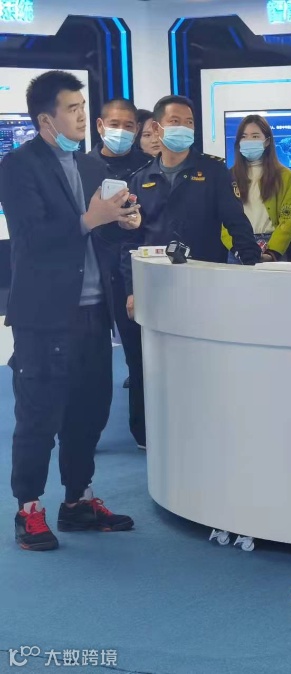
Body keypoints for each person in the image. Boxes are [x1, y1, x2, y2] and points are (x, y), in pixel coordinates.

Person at [0, 71, 141, 551]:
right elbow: (32, 238)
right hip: (45, 316)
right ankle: (28, 509)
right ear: (46, 119)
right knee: (39, 416)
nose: (84, 116)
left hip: (94, 312)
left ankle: (77, 500)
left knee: (89, 412)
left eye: (84, 107)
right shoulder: (17, 166)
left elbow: (101, 232)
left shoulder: (89, 165)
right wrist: (88, 219)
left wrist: (123, 220)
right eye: (73, 109)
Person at [122, 95, 260, 451]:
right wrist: (132, 289)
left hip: (203, 284)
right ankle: (149, 433)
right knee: (153, 362)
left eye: (189, 122)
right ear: (157, 127)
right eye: (175, 121)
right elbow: (130, 242)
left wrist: (253, 269)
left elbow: (236, 223)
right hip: (156, 286)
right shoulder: (140, 179)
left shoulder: (212, 172)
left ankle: (207, 426)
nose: (183, 128)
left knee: (203, 361)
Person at [88, 98, 153, 422]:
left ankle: (143, 430)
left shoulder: (148, 167)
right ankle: (84, 431)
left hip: (135, 272)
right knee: (91, 359)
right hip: (93, 275)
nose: (122, 131)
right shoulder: (83, 167)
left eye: (129, 126)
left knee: (141, 356)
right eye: (115, 125)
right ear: (100, 126)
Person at [221, 114, 291, 264]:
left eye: (255, 136)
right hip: (239, 245)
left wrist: (272, 252)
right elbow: (223, 223)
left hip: (273, 245)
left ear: (267, 141)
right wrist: (239, 249)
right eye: (244, 137)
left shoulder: (285, 176)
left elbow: (289, 218)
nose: (249, 141)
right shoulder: (229, 176)